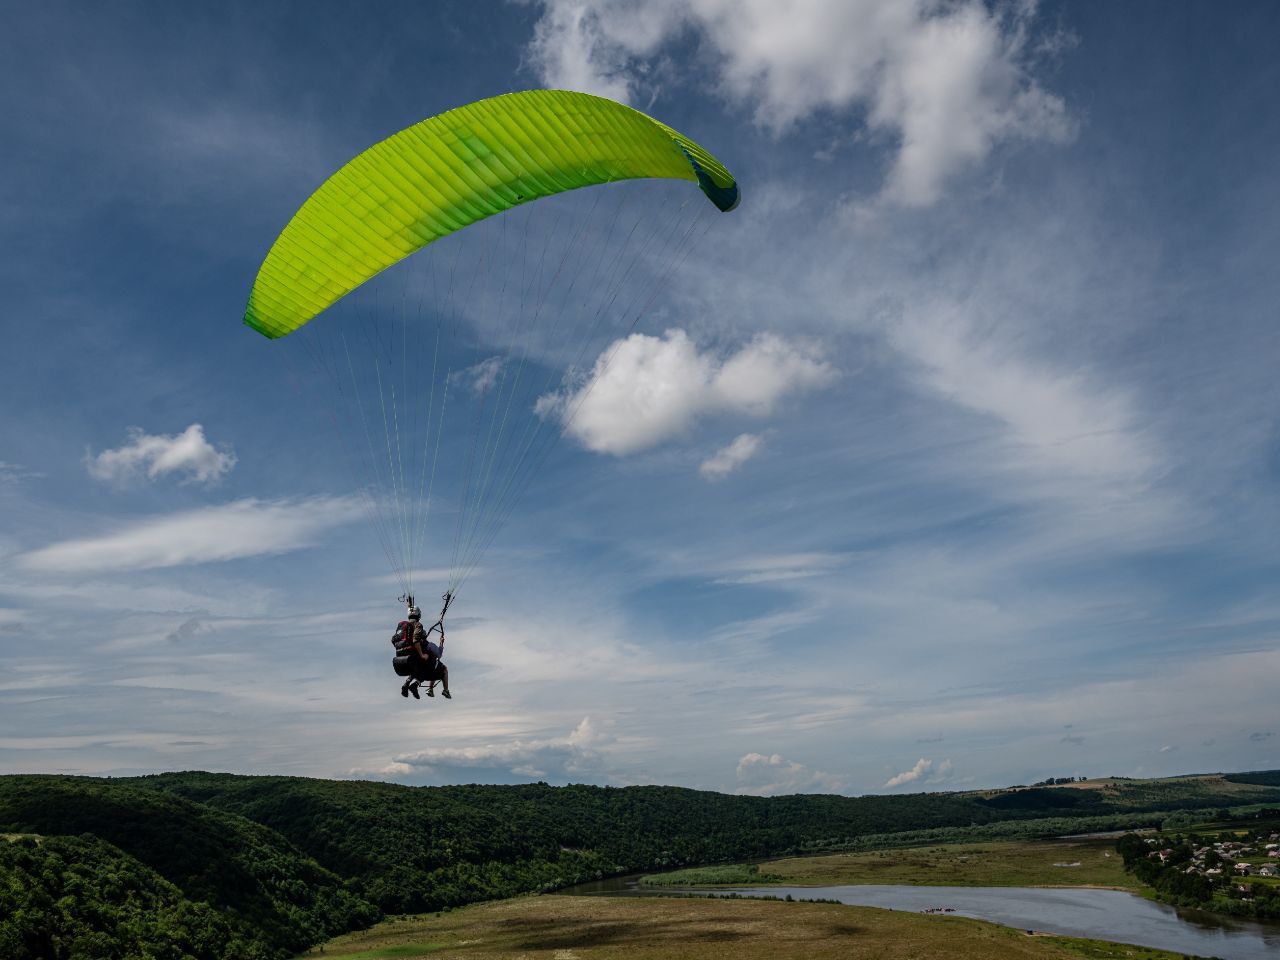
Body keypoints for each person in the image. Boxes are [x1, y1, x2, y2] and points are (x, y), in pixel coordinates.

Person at [395, 600, 452, 700]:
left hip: (402, 658)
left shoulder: (404, 628)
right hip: (418, 662)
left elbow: (395, 640)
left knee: (421, 664)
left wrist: (409, 607)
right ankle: (444, 690)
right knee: (432, 662)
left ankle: (408, 684)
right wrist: (441, 643)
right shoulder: (424, 639)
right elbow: (438, 654)